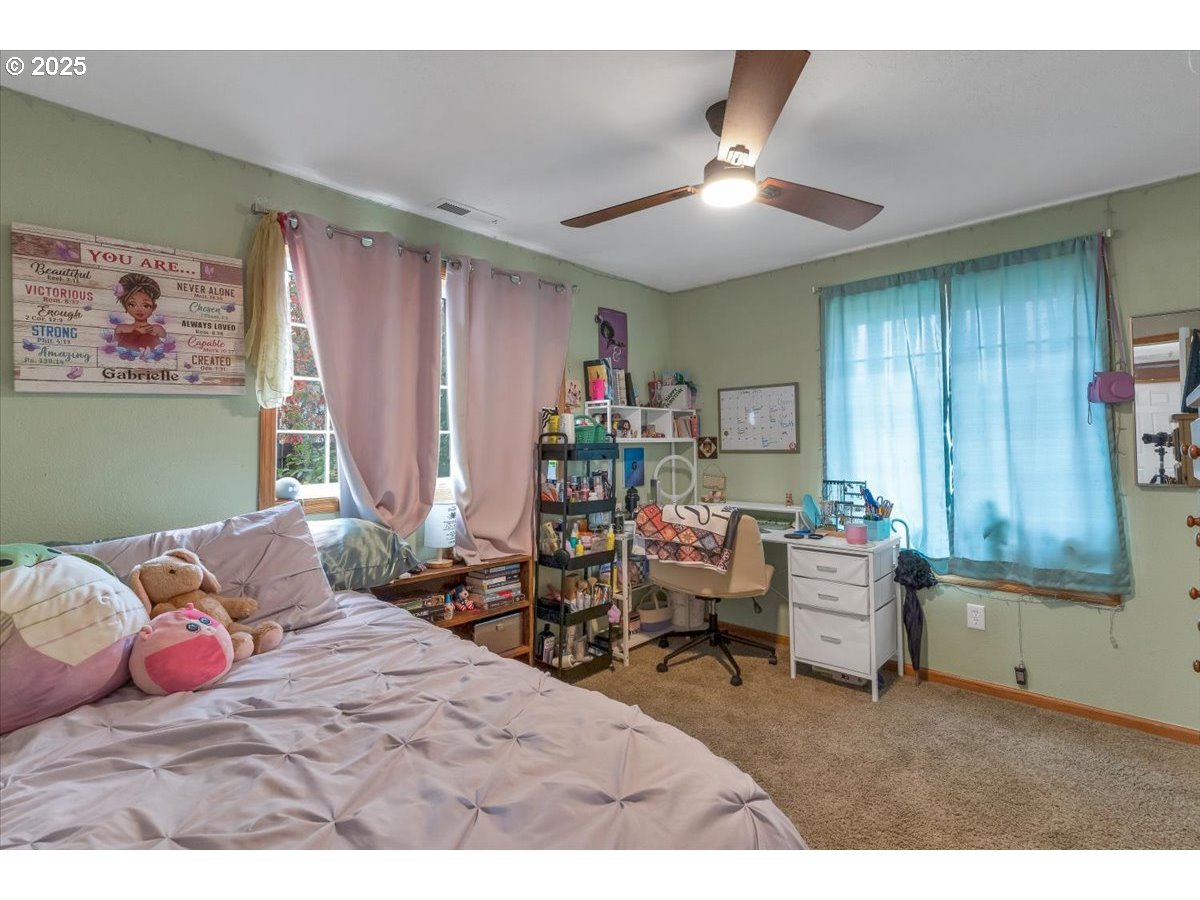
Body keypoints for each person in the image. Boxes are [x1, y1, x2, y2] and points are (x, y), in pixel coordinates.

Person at [113, 273, 166, 351]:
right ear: (125, 305)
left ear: (154, 307)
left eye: (146, 305)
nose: (139, 310)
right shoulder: (121, 328)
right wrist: (137, 332)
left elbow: (165, 352)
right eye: (132, 304)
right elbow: (118, 351)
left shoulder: (157, 329)